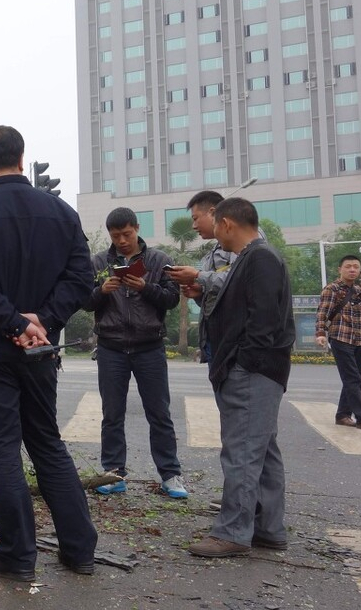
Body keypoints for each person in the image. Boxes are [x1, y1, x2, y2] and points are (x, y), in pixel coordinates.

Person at [0, 125, 97, 581]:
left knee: (1, 450)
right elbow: (80, 280)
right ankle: (79, 550)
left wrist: (15, 323)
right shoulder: (61, 213)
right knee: (47, 442)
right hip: (40, 350)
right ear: (21, 157)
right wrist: (42, 322)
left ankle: (17, 555)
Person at [187, 198, 294, 558]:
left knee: (243, 452)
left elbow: (262, 321)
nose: (214, 233)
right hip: (256, 369)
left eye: (216, 225)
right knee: (262, 450)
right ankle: (268, 527)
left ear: (228, 224)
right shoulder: (252, 259)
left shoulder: (260, 258)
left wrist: (241, 364)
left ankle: (232, 532)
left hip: (252, 371)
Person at [83, 208, 188, 499]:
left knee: (159, 413)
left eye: (127, 234)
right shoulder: (100, 262)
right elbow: (85, 302)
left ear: (137, 229)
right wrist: (101, 290)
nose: (122, 241)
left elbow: (170, 299)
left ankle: (170, 475)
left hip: (149, 346)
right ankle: (114, 474)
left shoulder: (159, 260)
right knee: (112, 414)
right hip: (111, 347)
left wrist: (145, 287)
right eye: (116, 236)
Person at [165, 191, 234, 364]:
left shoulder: (243, 240)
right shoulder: (217, 248)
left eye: (196, 218)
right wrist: (199, 293)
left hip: (235, 338)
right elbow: (218, 294)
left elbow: (239, 279)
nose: (194, 226)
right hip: (218, 335)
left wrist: (197, 275)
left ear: (213, 212)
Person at [316, 255, 361, 427]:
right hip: (340, 338)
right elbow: (322, 312)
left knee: (356, 378)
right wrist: (320, 333)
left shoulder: (358, 290)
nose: (352, 270)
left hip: (358, 339)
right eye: (348, 266)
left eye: (356, 267)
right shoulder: (332, 289)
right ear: (340, 269)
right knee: (352, 378)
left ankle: (342, 415)